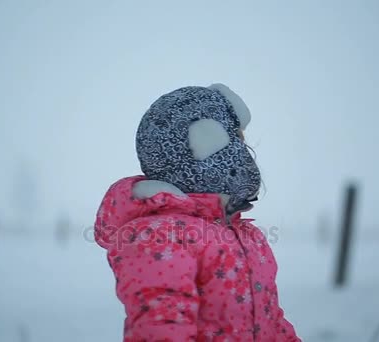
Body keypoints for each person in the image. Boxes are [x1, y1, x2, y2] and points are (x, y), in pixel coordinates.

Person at [94, 84, 301, 341]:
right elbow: (162, 328)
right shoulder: (160, 237)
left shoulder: (248, 237)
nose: (243, 154)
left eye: (241, 141)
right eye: (234, 140)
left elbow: (271, 321)